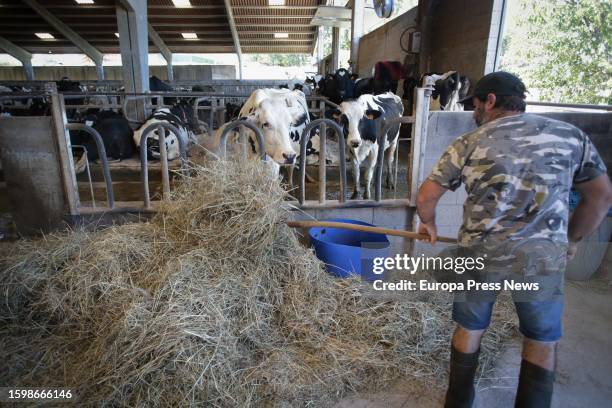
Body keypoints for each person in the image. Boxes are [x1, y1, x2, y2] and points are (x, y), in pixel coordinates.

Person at [415, 71, 612, 408]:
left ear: (490, 100)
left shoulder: (470, 142)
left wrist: (429, 224)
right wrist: (571, 238)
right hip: (541, 255)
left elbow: (426, 197)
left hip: (480, 253)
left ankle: (458, 401)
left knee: (470, 326)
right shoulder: (570, 137)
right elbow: (601, 197)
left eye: (475, 103)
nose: (474, 111)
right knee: (541, 337)